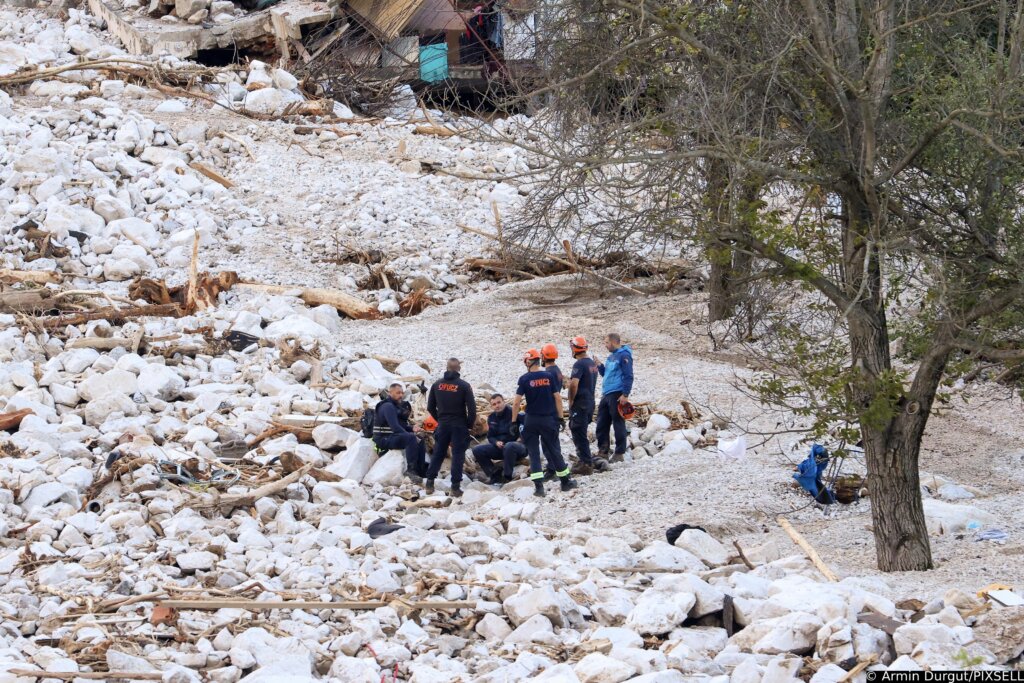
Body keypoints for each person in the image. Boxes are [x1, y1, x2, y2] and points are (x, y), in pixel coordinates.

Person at [512, 348, 577, 498]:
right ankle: (565, 482)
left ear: (528, 361)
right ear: (537, 360)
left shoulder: (524, 379)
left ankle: (539, 488)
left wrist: (514, 421)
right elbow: (558, 398)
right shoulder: (548, 376)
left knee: (534, 454)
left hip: (530, 420)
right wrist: (561, 418)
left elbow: (516, 403)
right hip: (548, 419)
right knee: (554, 451)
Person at [425, 358, 477, 497]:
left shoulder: (437, 385)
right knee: (458, 455)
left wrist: (440, 419)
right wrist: (469, 426)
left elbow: (430, 407)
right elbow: (472, 410)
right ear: (458, 369)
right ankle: (455, 487)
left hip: (443, 424)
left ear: (447, 368)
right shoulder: (464, 386)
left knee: (438, 453)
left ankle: (429, 483)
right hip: (459, 425)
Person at [566, 336, 607, 474]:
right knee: (580, 431)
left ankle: (586, 464)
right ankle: (586, 459)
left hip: (581, 403)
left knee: (578, 432)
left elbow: (574, 384)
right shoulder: (591, 363)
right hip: (590, 403)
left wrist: (571, 401)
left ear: (574, 348)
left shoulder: (579, 364)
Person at [372, 383, 427, 483]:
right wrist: (411, 435)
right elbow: (395, 427)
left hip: (391, 436)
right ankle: (410, 471)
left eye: (402, 393)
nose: (401, 395)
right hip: (383, 439)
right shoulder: (387, 406)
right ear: (390, 393)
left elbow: (401, 426)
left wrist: (412, 428)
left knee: (420, 438)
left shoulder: (395, 406)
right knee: (411, 438)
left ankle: (421, 470)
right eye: (398, 393)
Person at [471, 393, 527, 485]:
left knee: (510, 445)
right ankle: (494, 475)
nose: (497, 405)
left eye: (499, 402)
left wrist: (521, 439)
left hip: (519, 447)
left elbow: (528, 428)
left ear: (504, 402)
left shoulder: (515, 412)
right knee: (477, 450)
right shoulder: (492, 418)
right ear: (492, 406)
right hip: (501, 448)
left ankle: (507, 477)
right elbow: (490, 437)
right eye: (494, 404)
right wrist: (496, 442)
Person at [595, 333, 634, 462]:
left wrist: (625, 394)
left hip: (617, 393)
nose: (605, 345)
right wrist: (600, 365)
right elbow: (605, 374)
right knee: (601, 422)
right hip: (606, 393)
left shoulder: (624, 355)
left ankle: (619, 452)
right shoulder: (611, 357)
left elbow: (628, 375)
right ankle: (603, 451)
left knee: (618, 423)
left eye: (606, 343)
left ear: (613, 342)